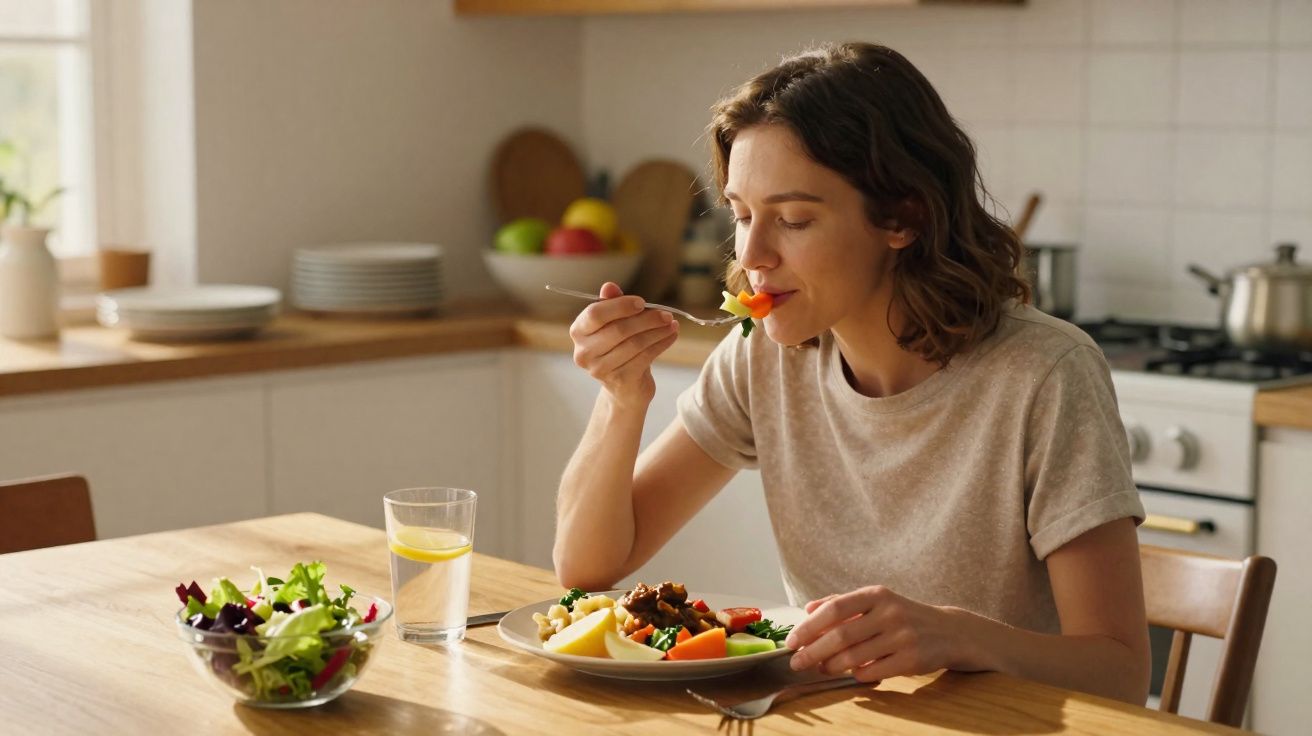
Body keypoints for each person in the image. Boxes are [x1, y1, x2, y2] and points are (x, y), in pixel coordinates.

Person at [552, 41, 1150, 704]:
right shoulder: (763, 355)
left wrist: (959, 637)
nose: (751, 254)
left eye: (795, 219)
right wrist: (621, 397)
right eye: (742, 215)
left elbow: (1120, 670)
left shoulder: (1044, 374)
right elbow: (587, 568)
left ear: (902, 217)